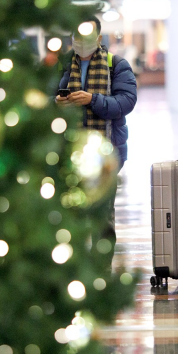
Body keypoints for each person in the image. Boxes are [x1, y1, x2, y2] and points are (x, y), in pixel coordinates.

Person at [55, 16, 137, 268]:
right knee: (71, 215)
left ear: (99, 39)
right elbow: (42, 96)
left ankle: (101, 270)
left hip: (107, 152)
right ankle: (76, 269)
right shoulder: (62, 66)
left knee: (103, 216)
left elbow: (126, 102)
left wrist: (92, 99)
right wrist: (55, 103)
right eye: (77, 37)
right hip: (69, 152)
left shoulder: (116, 65)